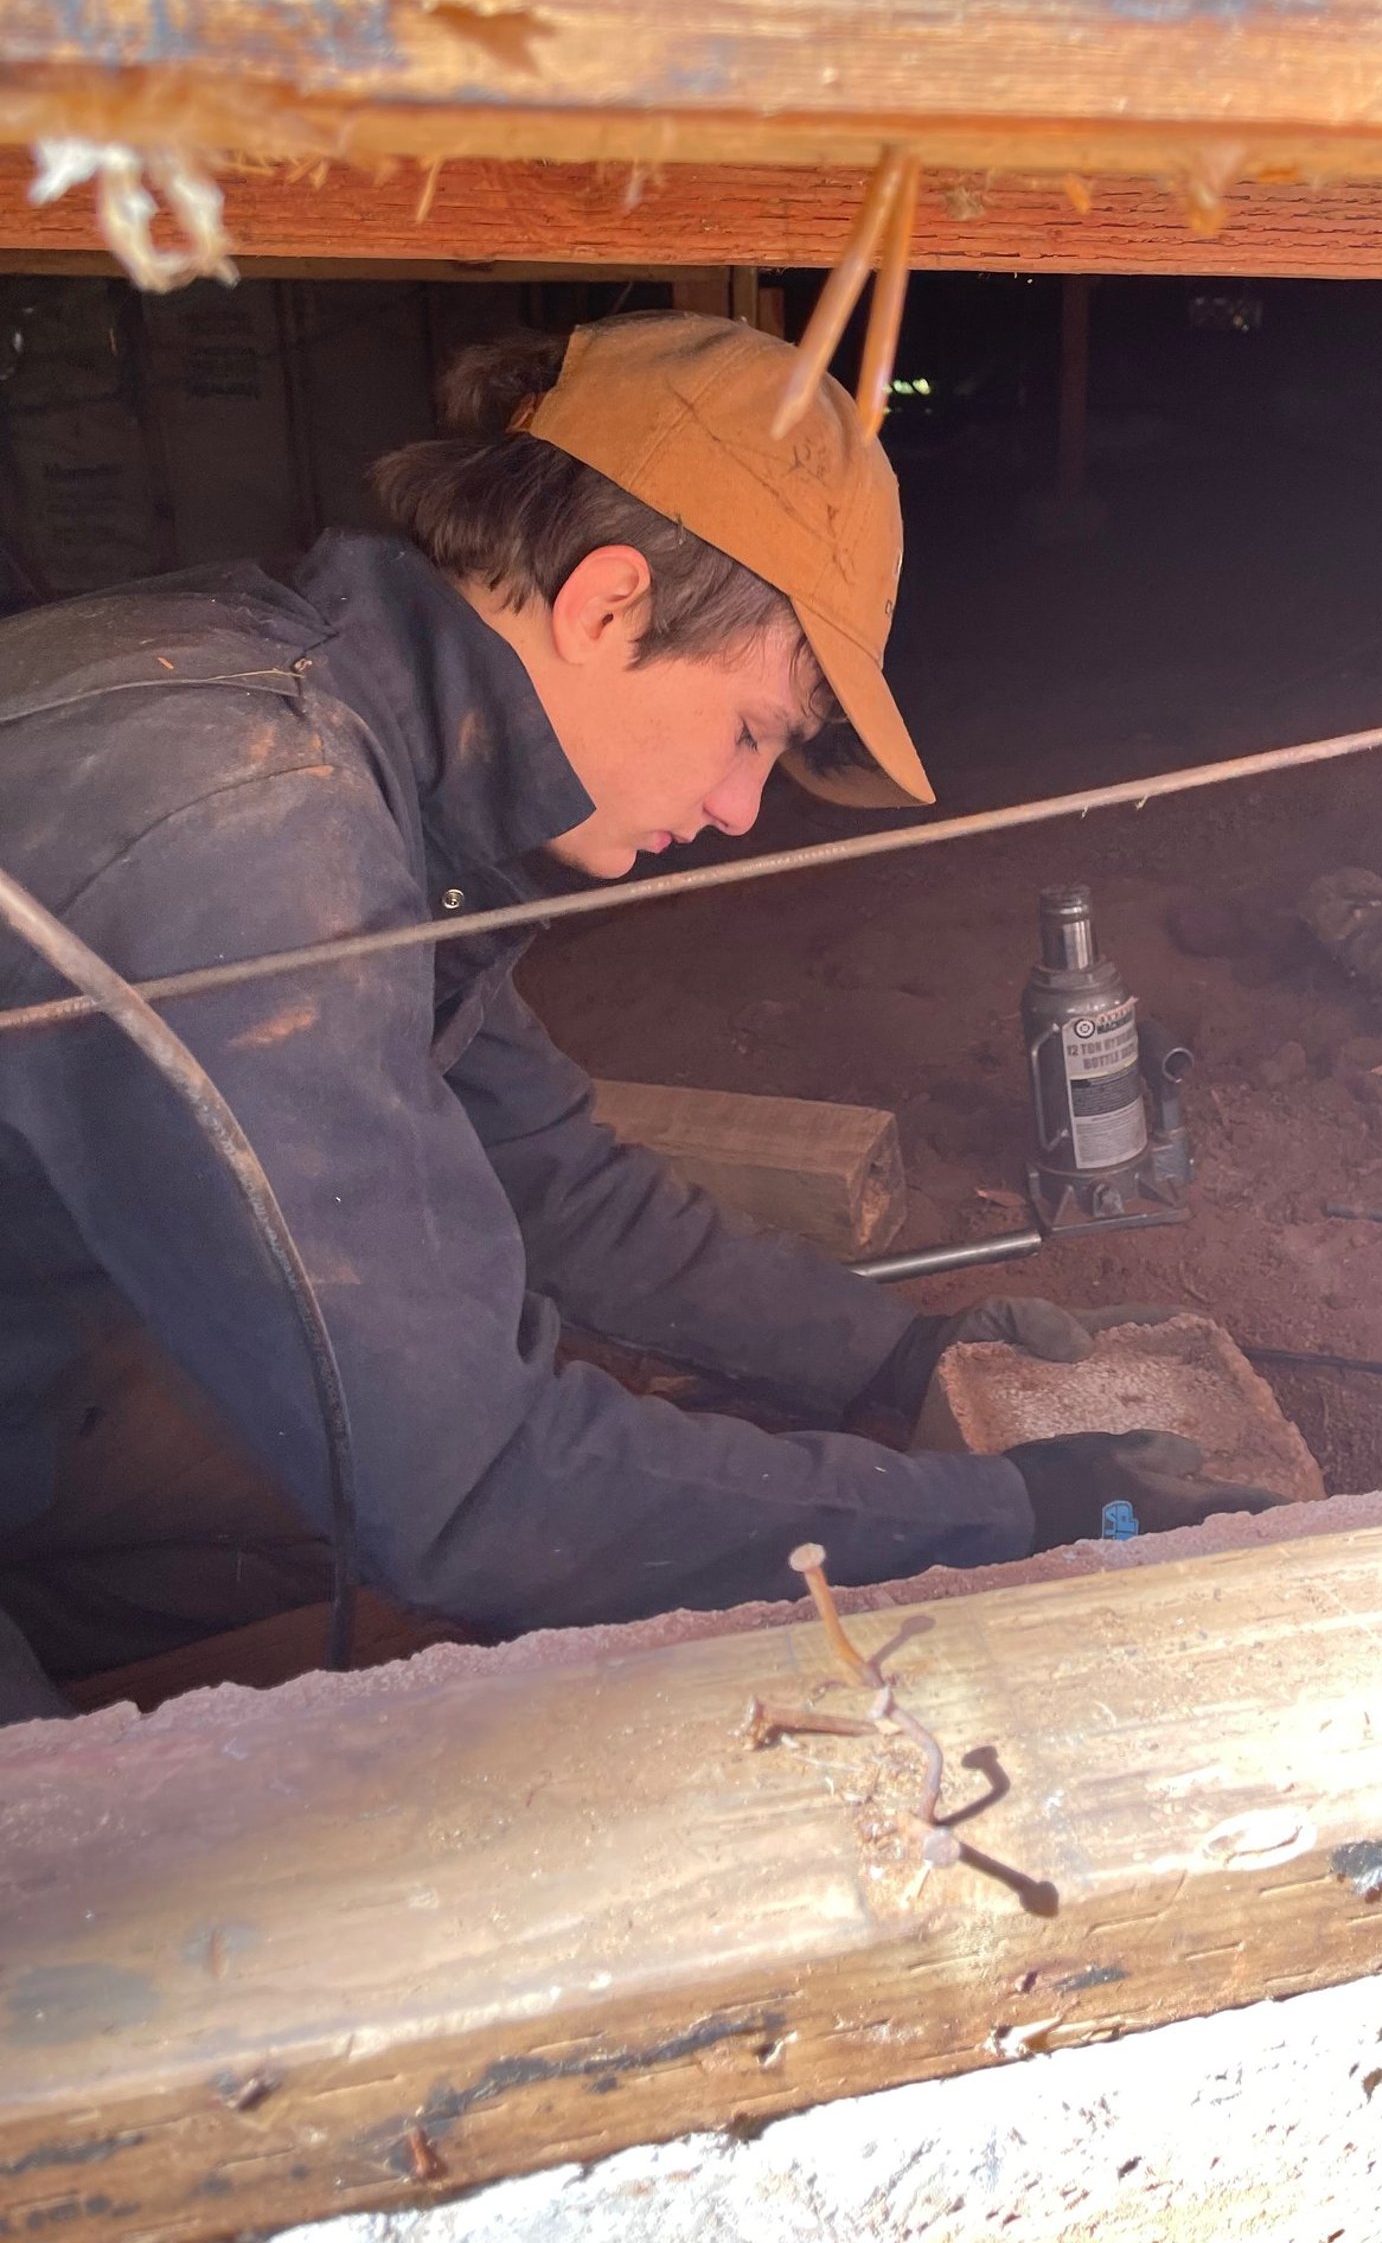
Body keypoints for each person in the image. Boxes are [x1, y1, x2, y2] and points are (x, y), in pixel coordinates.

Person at [0, 315, 1271, 1724]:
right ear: (605, 607)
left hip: (35, 1357)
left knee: (332, 1503)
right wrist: (1002, 1514)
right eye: (751, 734)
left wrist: (894, 1354)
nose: (738, 811)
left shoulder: (340, 733)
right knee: (96, 1899)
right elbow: (478, 1486)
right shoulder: (251, 834)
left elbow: (558, 1185)